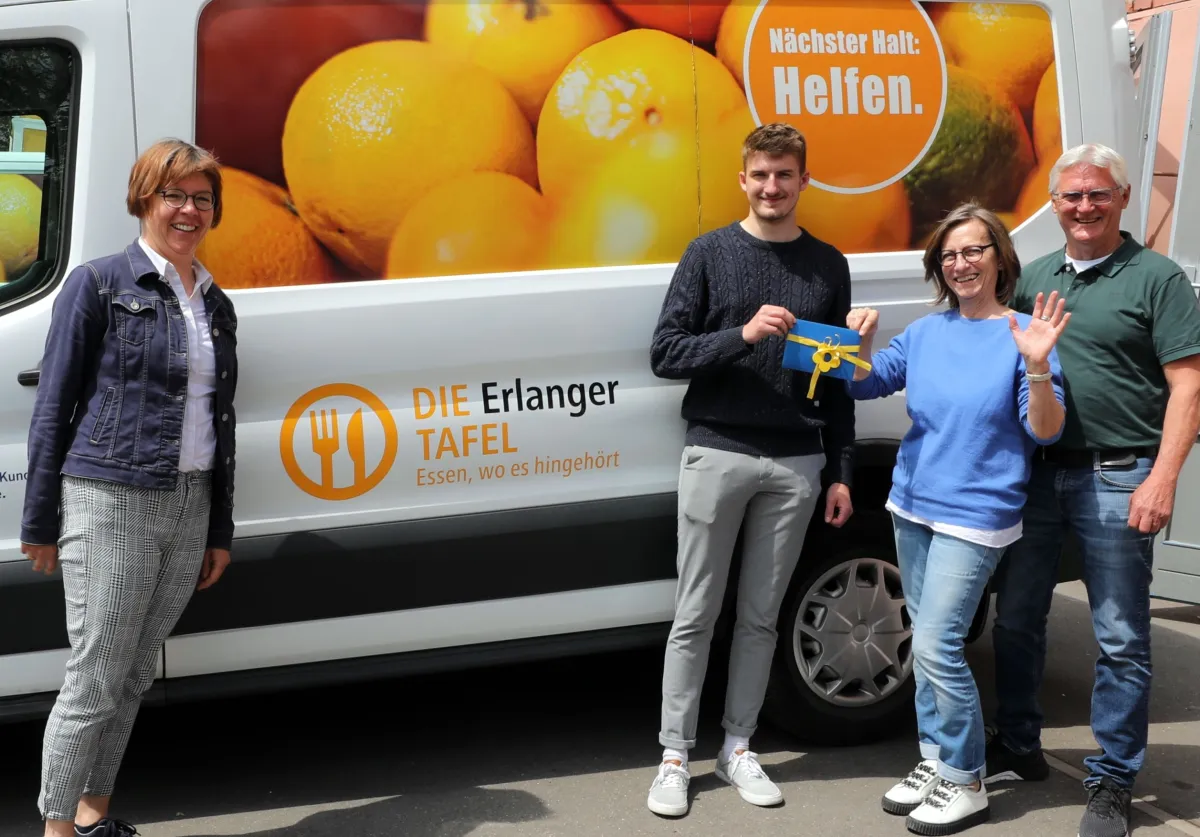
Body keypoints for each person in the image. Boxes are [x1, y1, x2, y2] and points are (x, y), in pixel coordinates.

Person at [21, 138, 240, 837]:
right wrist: (40, 520)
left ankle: (93, 816)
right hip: (110, 497)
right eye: (174, 194)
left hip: (189, 499)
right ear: (144, 198)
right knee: (95, 675)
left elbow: (218, 421)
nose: (188, 209)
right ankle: (55, 830)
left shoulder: (215, 302)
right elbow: (53, 405)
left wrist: (219, 528)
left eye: (202, 198)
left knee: (137, 671)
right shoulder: (98, 285)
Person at [986, 143, 1200, 837]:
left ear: (1123, 198)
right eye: (1071, 196)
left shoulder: (1157, 279)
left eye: (1097, 195)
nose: (1083, 207)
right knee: (1017, 617)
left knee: (1118, 635)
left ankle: (1112, 778)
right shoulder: (1036, 277)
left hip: (1120, 473)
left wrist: (1163, 476)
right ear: (1053, 204)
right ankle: (1019, 743)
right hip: (1038, 476)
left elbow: (1189, 386)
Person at [645, 122, 856, 817]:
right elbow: (665, 352)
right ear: (744, 179)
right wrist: (742, 334)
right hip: (718, 450)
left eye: (784, 175)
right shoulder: (707, 253)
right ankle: (675, 754)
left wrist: (841, 470)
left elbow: (836, 381)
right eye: (761, 174)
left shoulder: (827, 264)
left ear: (803, 181)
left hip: (797, 459)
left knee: (762, 617)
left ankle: (738, 745)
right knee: (695, 613)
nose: (772, 187)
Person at [845, 203, 1067, 835]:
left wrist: (1039, 364)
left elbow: (1045, 428)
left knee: (942, 643)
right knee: (924, 635)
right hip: (912, 502)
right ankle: (936, 759)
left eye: (974, 251)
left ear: (999, 257)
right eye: (949, 255)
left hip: (978, 512)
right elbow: (866, 383)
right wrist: (859, 344)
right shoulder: (926, 332)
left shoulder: (1027, 333)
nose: (961, 263)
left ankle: (967, 778)